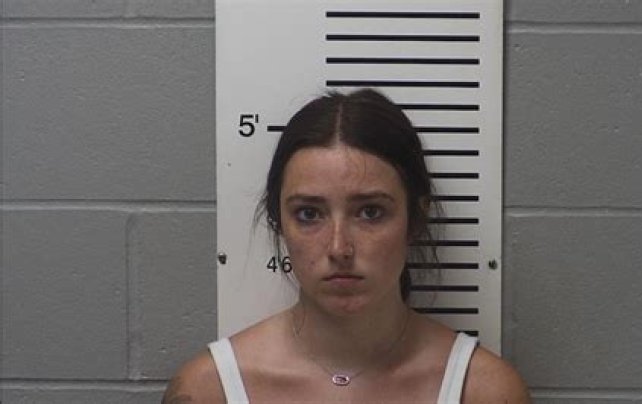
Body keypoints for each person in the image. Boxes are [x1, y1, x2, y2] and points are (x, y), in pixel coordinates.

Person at [163, 89, 530, 403]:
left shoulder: (484, 391)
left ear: (415, 219)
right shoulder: (209, 391)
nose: (339, 248)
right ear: (279, 222)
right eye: (309, 214)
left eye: (370, 212)